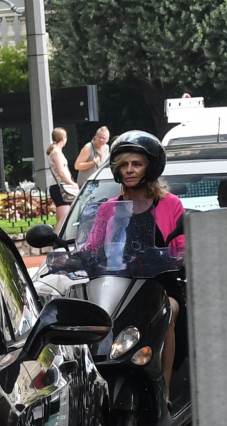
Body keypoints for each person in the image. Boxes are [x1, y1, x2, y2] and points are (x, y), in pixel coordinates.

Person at [86, 131, 185, 408]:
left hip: (161, 284)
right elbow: (93, 248)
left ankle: (163, 390)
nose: (129, 170)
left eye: (136, 164)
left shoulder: (170, 204)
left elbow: (182, 248)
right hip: (119, 284)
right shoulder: (108, 209)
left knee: (169, 312)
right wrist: (73, 258)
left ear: (150, 168)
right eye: (123, 164)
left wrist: (177, 255)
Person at [47, 127, 79, 226]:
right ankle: (58, 240)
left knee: (62, 219)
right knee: (63, 219)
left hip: (58, 187)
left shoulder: (55, 152)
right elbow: (61, 173)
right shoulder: (56, 152)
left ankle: (58, 239)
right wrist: (72, 183)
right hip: (61, 188)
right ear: (63, 138)